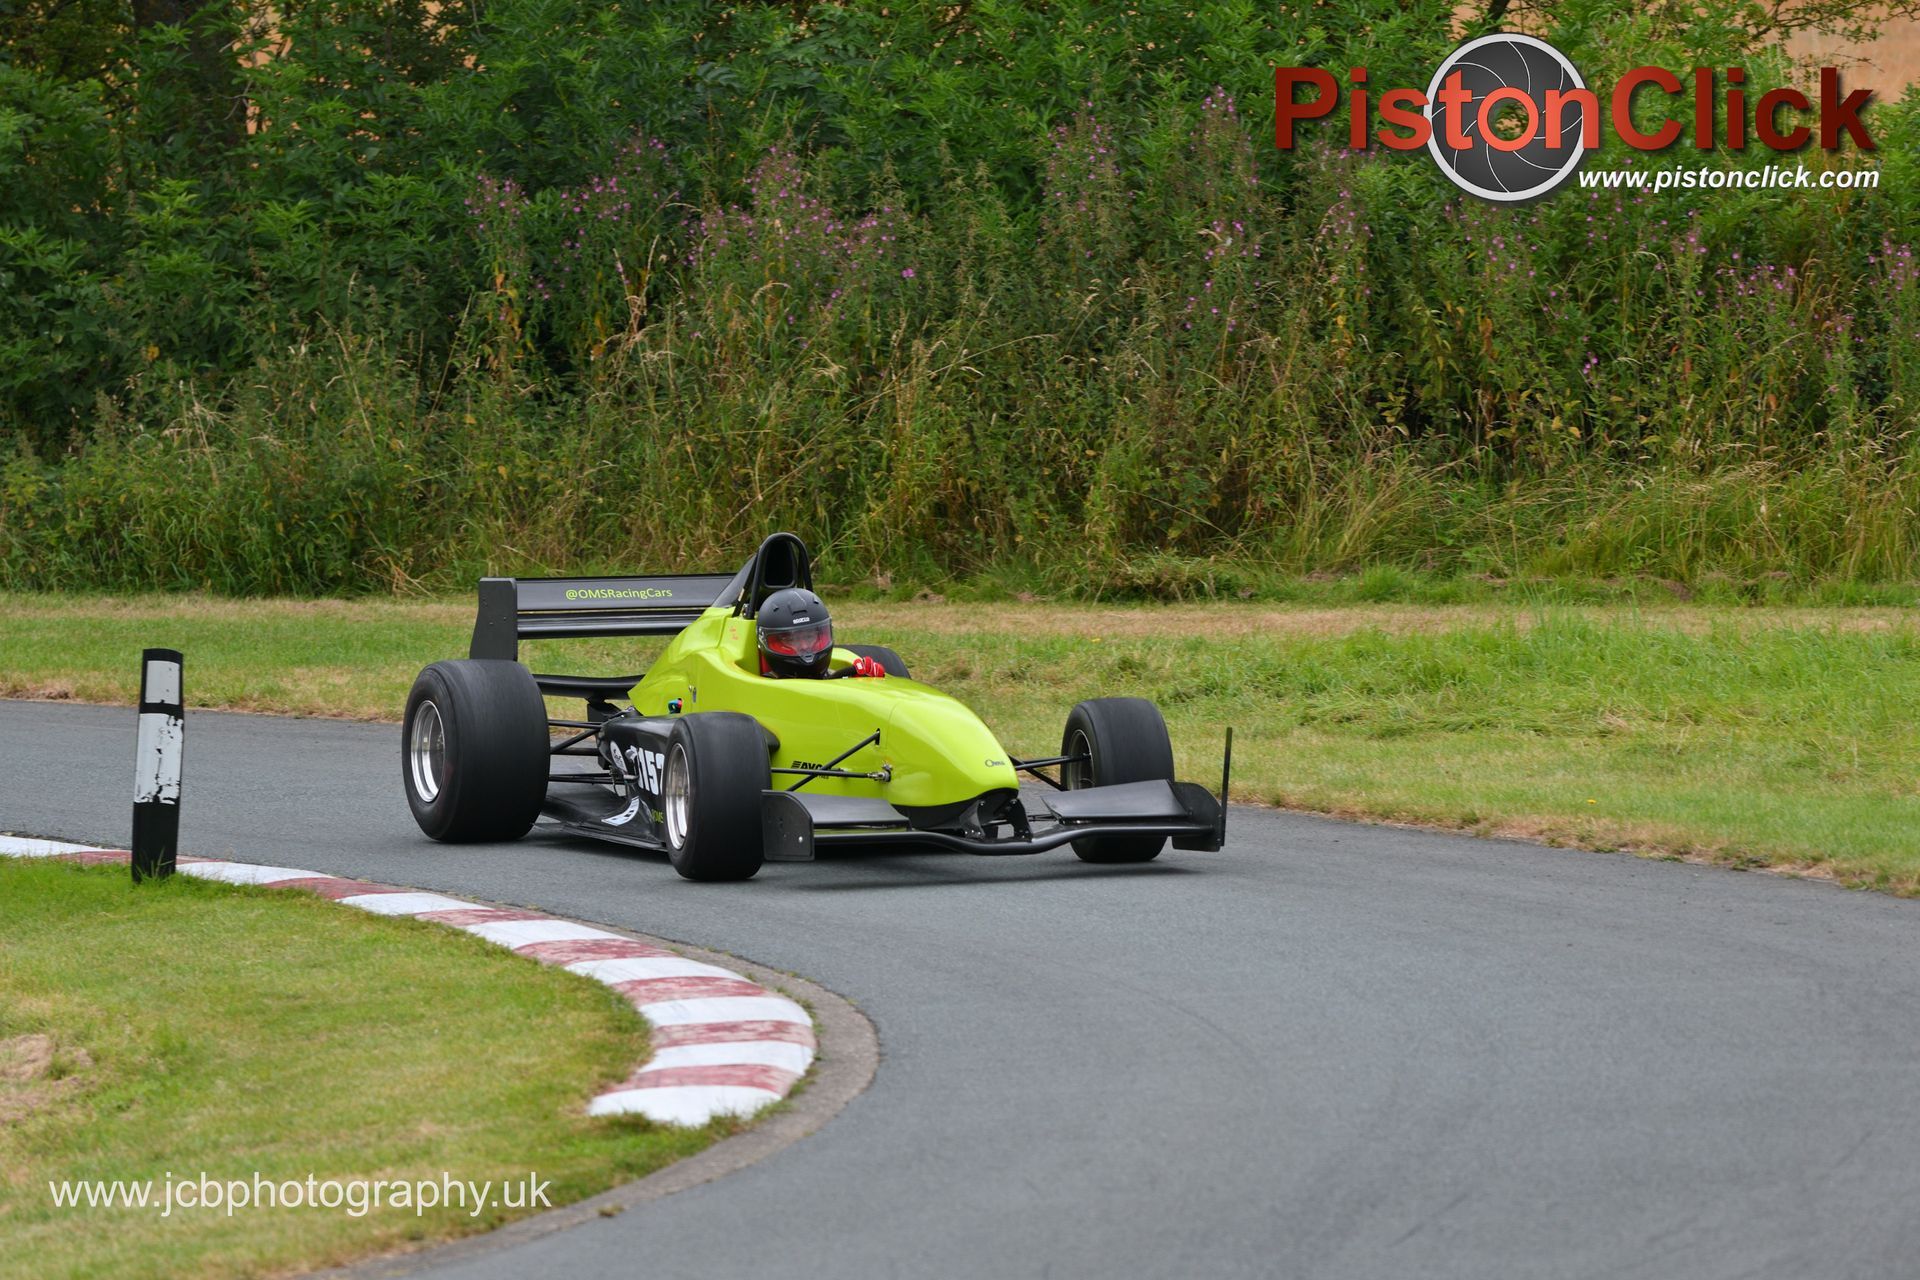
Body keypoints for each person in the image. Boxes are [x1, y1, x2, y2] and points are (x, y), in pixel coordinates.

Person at [755, 588, 886, 679]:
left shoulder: (837, 677)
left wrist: (863, 681)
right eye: (791, 639)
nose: (804, 646)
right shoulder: (760, 690)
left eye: (809, 636)